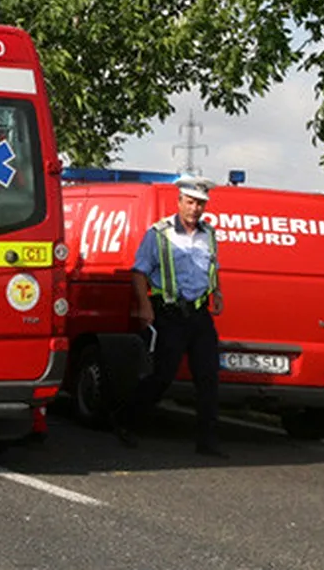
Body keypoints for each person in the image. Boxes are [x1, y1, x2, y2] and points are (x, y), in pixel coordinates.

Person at [112, 175, 226, 457]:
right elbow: (139, 271)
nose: (195, 208)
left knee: (208, 377)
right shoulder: (159, 234)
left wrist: (218, 292)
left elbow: (212, 267)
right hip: (169, 313)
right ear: (179, 202)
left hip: (199, 314)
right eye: (190, 202)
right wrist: (145, 306)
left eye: (201, 203)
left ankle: (207, 441)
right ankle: (126, 421)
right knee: (162, 375)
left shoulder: (208, 234)